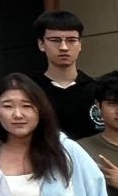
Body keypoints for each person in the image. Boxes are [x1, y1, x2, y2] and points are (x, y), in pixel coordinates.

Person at [36, 10, 102, 141]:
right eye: (55, 40)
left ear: (80, 44)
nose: (64, 47)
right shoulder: (30, 90)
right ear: (41, 44)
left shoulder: (98, 90)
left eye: (71, 40)